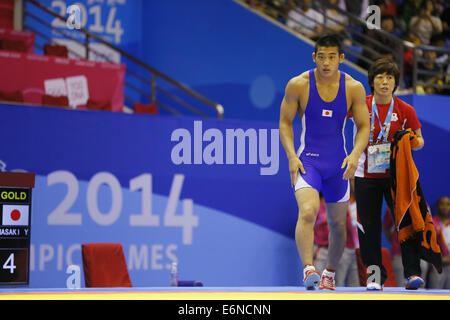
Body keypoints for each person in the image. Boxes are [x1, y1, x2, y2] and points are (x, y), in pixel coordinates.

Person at [279, 33, 370, 290]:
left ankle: (329, 272)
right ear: (314, 57)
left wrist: (354, 155)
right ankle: (309, 269)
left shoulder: (353, 87)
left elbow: (364, 126)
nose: (326, 63)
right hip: (308, 162)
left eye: (332, 57)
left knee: (339, 226)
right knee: (307, 212)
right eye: (321, 57)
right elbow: (285, 122)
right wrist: (291, 156)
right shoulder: (298, 84)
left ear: (341, 58)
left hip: (338, 166)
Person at [353, 57, 426, 290]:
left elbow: (420, 140)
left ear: (395, 82)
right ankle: (374, 277)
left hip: (397, 177)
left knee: (404, 224)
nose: (385, 82)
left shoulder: (406, 110)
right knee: (368, 228)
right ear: (372, 81)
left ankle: (412, 274)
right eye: (380, 77)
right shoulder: (359, 104)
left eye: (390, 78)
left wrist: (409, 140)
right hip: (365, 177)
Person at [428, 196, 450, 288]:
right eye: (442, 204)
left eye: (448, 204)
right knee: (435, 295)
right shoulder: (431, 223)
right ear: (437, 206)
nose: (445, 207)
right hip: (436, 266)